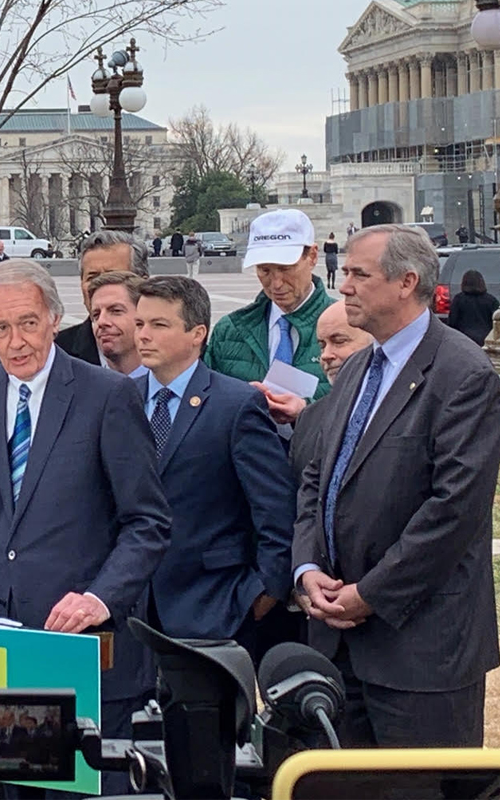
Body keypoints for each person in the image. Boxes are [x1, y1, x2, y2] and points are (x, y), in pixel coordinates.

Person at [0, 259, 171, 796]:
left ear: (54, 318)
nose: (16, 340)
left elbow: (147, 523)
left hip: (85, 651)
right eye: (0, 328)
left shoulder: (108, 396)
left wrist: (100, 598)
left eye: (28, 323)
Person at [293, 224, 500, 748]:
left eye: (359, 275)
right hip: (338, 648)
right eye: (345, 274)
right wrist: (308, 567)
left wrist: (371, 594)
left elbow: (454, 510)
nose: (344, 287)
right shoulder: (360, 365)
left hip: (421, 653)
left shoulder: (463, 374)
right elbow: (319, 477)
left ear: (407, 281)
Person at [133, 276, 294, 659]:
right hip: (134, 610)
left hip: (214, 608)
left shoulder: (235, 405)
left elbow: (275, 510)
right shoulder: (121, 399)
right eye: (139, 324)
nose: (143, 336)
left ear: (197, 333)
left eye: (159, 325)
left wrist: (263, 594)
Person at [206, 209, 335, 411]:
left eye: (285, 268)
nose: (276, 283)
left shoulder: (350, 326)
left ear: (312, 256)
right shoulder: (229, 330)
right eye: (264, 270)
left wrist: (307, 411)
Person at [288, 301, 374, 485]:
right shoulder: (309, 419)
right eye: (322, 345)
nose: (326, 355)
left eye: (339, 341)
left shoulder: (404, 411)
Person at [56, 230, 150, 365]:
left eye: (113, 277)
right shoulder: (58, 354)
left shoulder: (173, 351)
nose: (100, 286)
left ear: (143, 283)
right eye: (92, 277)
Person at [88, 271, 148, 377]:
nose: (101, 322)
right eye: (96, 315)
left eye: (115, 311)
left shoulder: (170, 384)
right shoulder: (84, 387)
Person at [447, 269, 500, 346]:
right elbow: (496, 323)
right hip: (486, 340)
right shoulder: (491, 300)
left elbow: (452, 322)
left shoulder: (458, 299)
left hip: (463, 339)